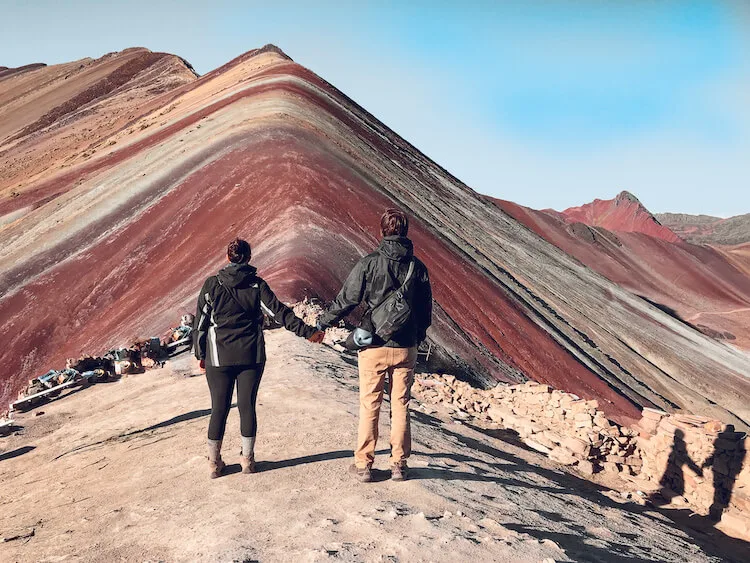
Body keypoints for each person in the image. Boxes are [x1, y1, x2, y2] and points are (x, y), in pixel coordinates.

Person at [194, 238, 325, 478]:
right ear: (249, 257)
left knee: (219, 409)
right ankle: (247, 461)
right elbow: (279, 312)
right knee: (247, 406)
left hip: (218, 356)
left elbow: (200, 323)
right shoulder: (256, 286)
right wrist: (308, 333)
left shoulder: (211, 285)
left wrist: (200, 353)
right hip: (251, 355)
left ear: (227, 258)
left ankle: (214, 463)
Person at [318, 208, 432, 482]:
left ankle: (364, 465)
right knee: (401, 404)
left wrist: (322, 323)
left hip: (374, 346)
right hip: (406, 347)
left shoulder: (369, 264)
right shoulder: (418, 267)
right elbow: (426, 309)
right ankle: (398, 465)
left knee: (370, 404)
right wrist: (417, 337)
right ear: (405, 232)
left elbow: (347, 300)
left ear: (382, 231)